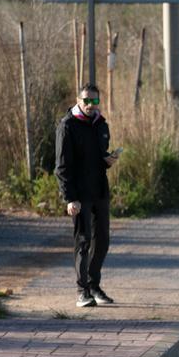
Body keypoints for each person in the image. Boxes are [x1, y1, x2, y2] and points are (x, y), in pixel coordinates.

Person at [55, 83, 118, 308]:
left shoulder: (101, 124)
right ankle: (82, 292)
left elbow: (99, 159)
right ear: (78, 100)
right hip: (80, 195)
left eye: (94, 101)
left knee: (102, 241)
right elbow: (61, 167)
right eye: (86, 100)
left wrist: (108, 161)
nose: (90, 105)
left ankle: (93, 285)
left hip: (100, 191)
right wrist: (69, 198)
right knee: (83, 241)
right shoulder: (68, 126)